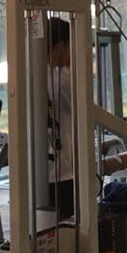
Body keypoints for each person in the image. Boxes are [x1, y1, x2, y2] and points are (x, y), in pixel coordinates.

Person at [47, 17, 75, 220]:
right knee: (67, 228)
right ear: (59, 47)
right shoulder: (62, 79)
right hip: (62, 171)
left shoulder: (32, 73)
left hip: (39, 172)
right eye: (70, 47)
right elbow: (85, 111)